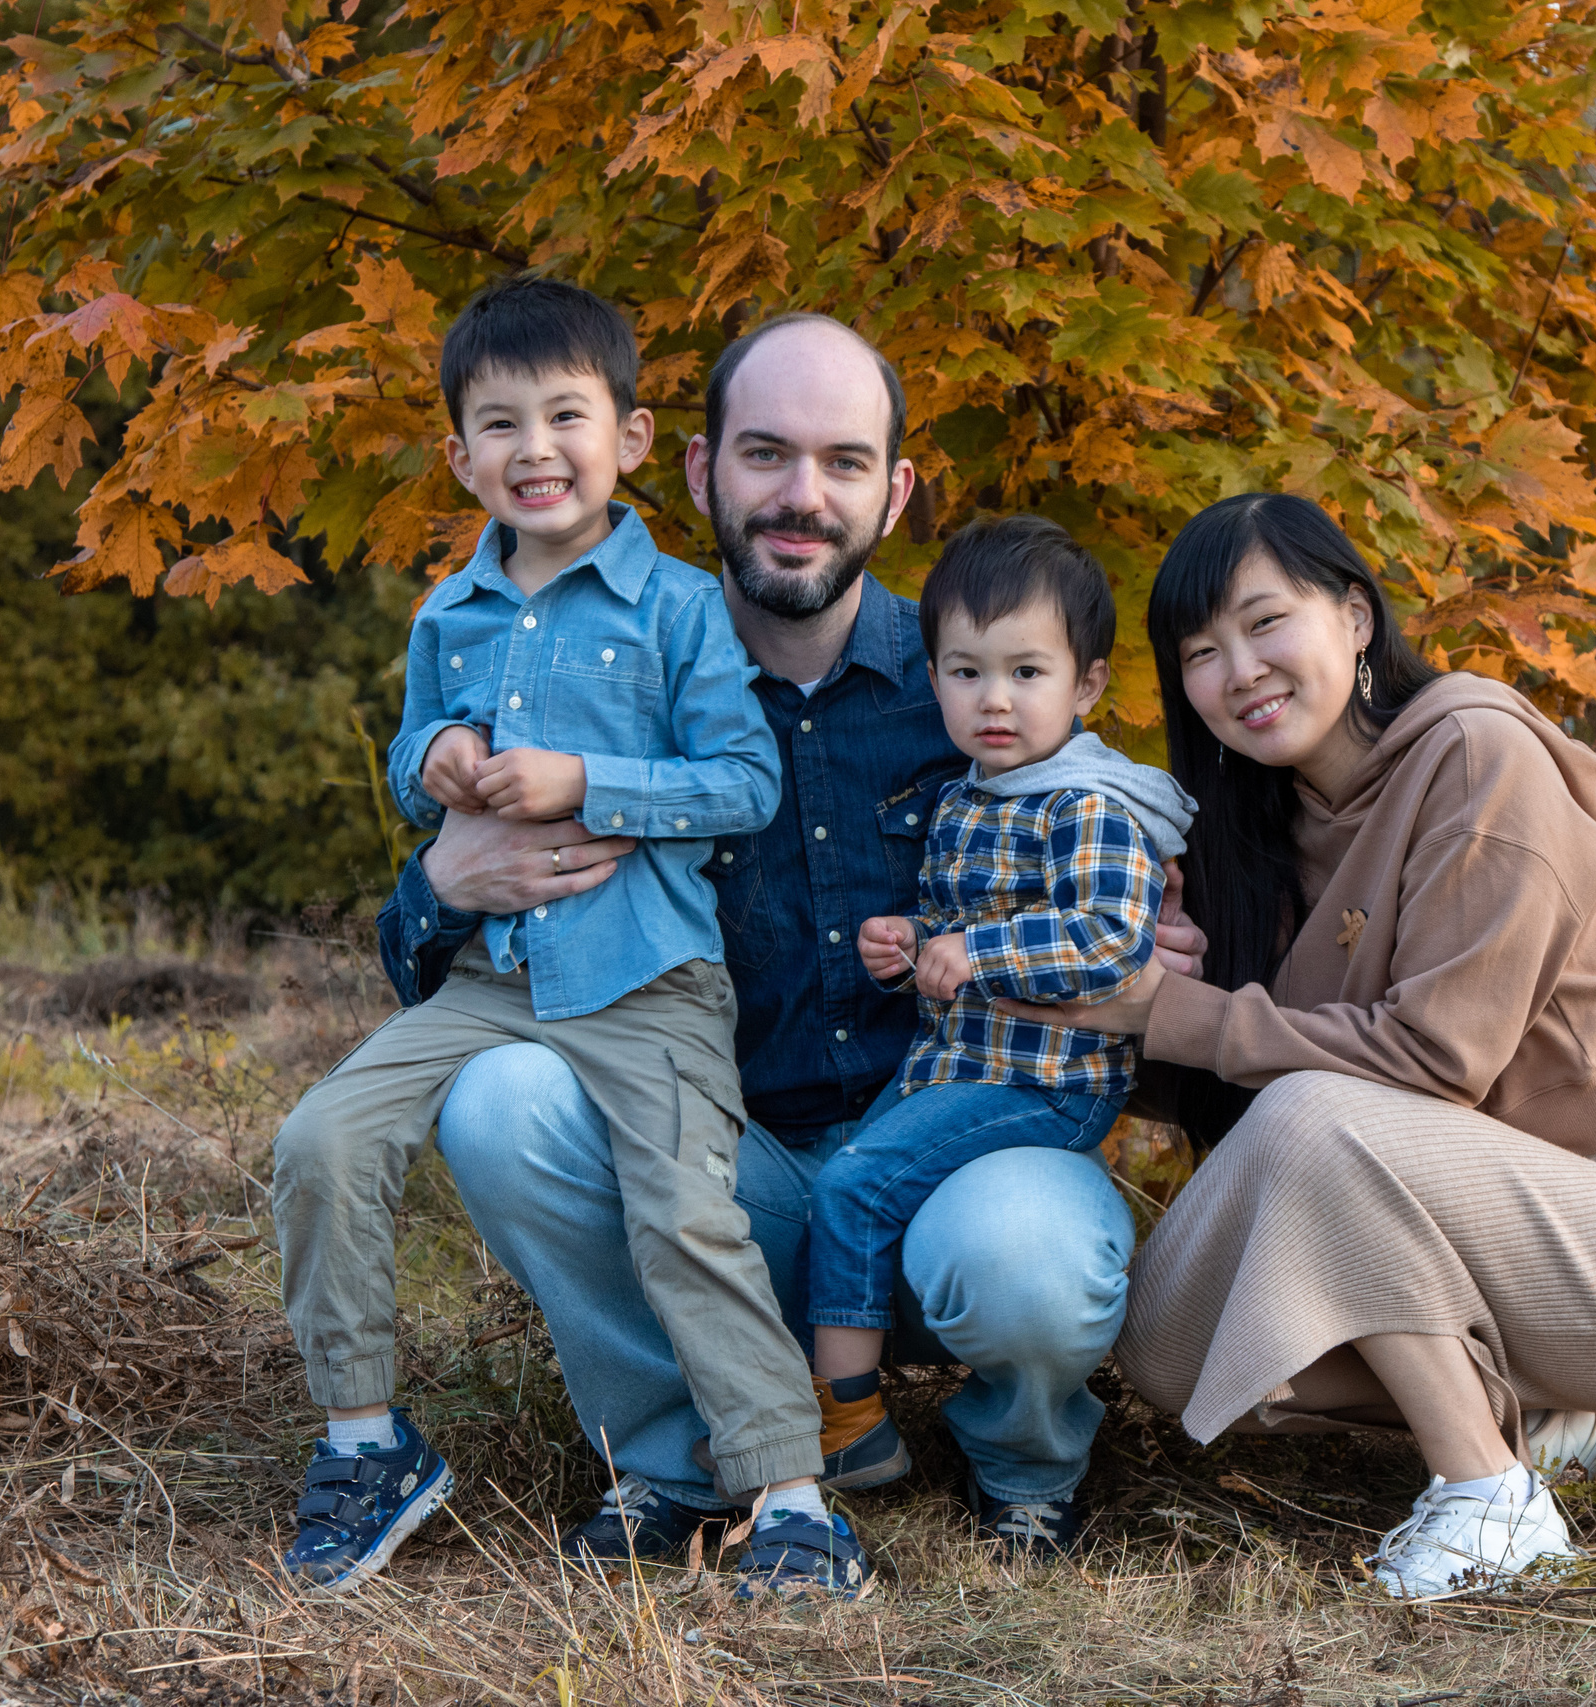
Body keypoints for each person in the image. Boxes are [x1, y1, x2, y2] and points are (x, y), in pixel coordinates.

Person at [379, 314, 1205, 1565]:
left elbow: (1119, 840)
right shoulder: (612, 677)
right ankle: (680, 1456)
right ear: (702, 469)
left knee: (1029, 1248)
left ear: (896, 489)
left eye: (843, 461)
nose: (801, 496)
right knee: (502, 1100)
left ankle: (1019, 1465)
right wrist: (443, 879)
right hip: (720, 1186)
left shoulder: (979, 684)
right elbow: (429, 970)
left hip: (950, 1169)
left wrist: (1164, 936)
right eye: (765, 455)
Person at [1000, 493, 1596, 1601]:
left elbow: (1433, 1062)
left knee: (1313, 1117)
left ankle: (1489, 1497)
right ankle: (1549, 1393)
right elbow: (1220, 1080)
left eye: (1267, 623)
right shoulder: (1256, 828)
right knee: (1170, 1342)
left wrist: (1172, 1013)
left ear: (1356, 618)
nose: (1241, 670)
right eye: (1203, 653)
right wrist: (1127, 969)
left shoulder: (1474, 749)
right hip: (1475, 1213)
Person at [267, 276, 857, 1599]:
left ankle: (789, 1495)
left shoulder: (681, 609)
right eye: (501, 424)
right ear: (460, 455)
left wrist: (586, 781)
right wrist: (446, 756)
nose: (536, 449)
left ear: (633, 440)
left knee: (682, 1214)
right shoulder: (448, 612)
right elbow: (412, 755)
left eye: (566, 416)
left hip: (647, 978)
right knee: (322, 1138)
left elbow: (742, 781)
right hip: (492, 981)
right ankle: (368, 1440)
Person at [816, 517, 1196, 1489]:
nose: (994, 699)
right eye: (965, 671)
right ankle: (836, 1390)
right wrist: (906, 947)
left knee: (854, 1183)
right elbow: (959, 932)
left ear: (1087, 685)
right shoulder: (969, 795)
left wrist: (972, 952)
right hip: (958, 1067)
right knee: (846, 1179)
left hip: (1045, 1083)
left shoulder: (1087, 805)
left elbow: (1108, 941)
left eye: (1027, 673)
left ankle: (846, 1424)